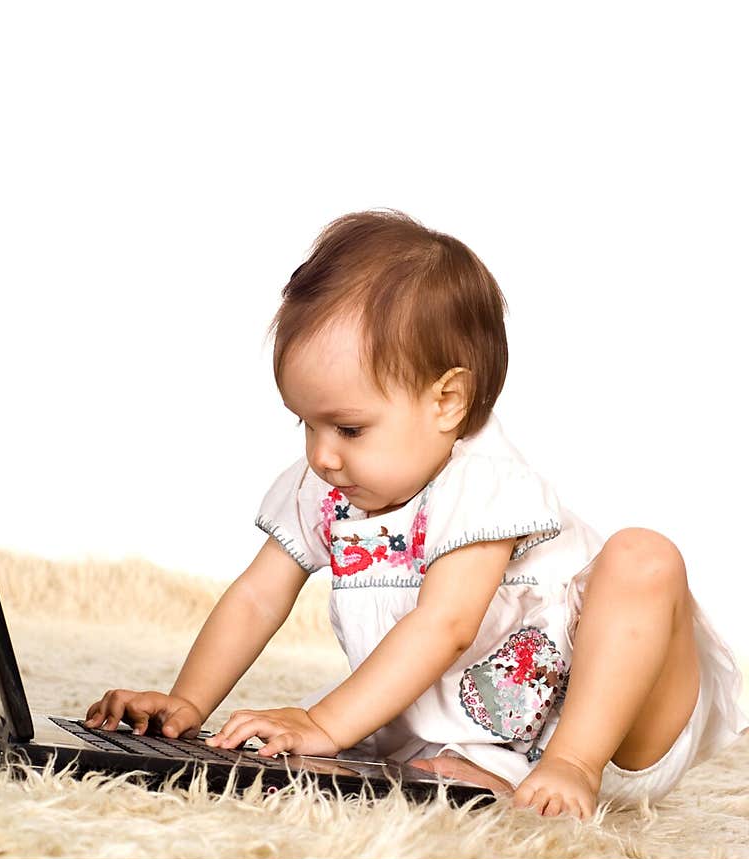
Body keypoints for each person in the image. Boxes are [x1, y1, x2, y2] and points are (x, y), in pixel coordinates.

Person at [85, 209, 748, 818]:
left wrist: (322, 725)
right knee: (430, 784)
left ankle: (572, 765)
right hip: (470, 737)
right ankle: (484, 772)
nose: (322, 454)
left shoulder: (484, 481)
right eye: (305, 424)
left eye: (347, 428)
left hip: (616, 719)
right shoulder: (329, 482)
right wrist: (188, 704)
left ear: (447, 403)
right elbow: (258, 596)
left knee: (643, 556)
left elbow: (447, 625)